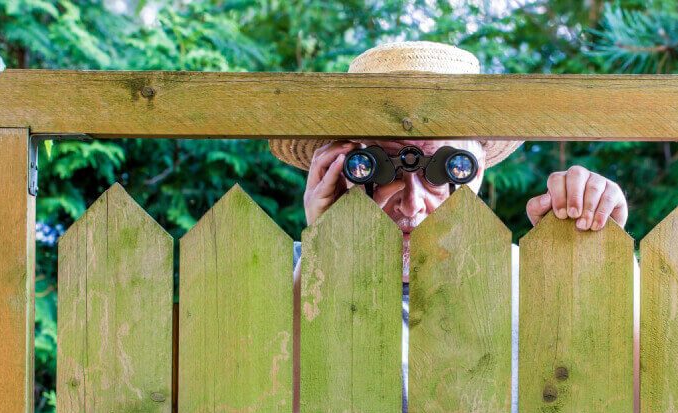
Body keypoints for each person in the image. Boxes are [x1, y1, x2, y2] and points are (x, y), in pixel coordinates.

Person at [269, 41, 631, 413]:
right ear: (339, 168)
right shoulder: (279, 280)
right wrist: (321, 254)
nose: (412, 203)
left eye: (444, 168)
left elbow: (631, 386)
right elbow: (262, 397)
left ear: (477, 170)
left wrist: (602, 260)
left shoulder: (536, 280)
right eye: (378, 165)